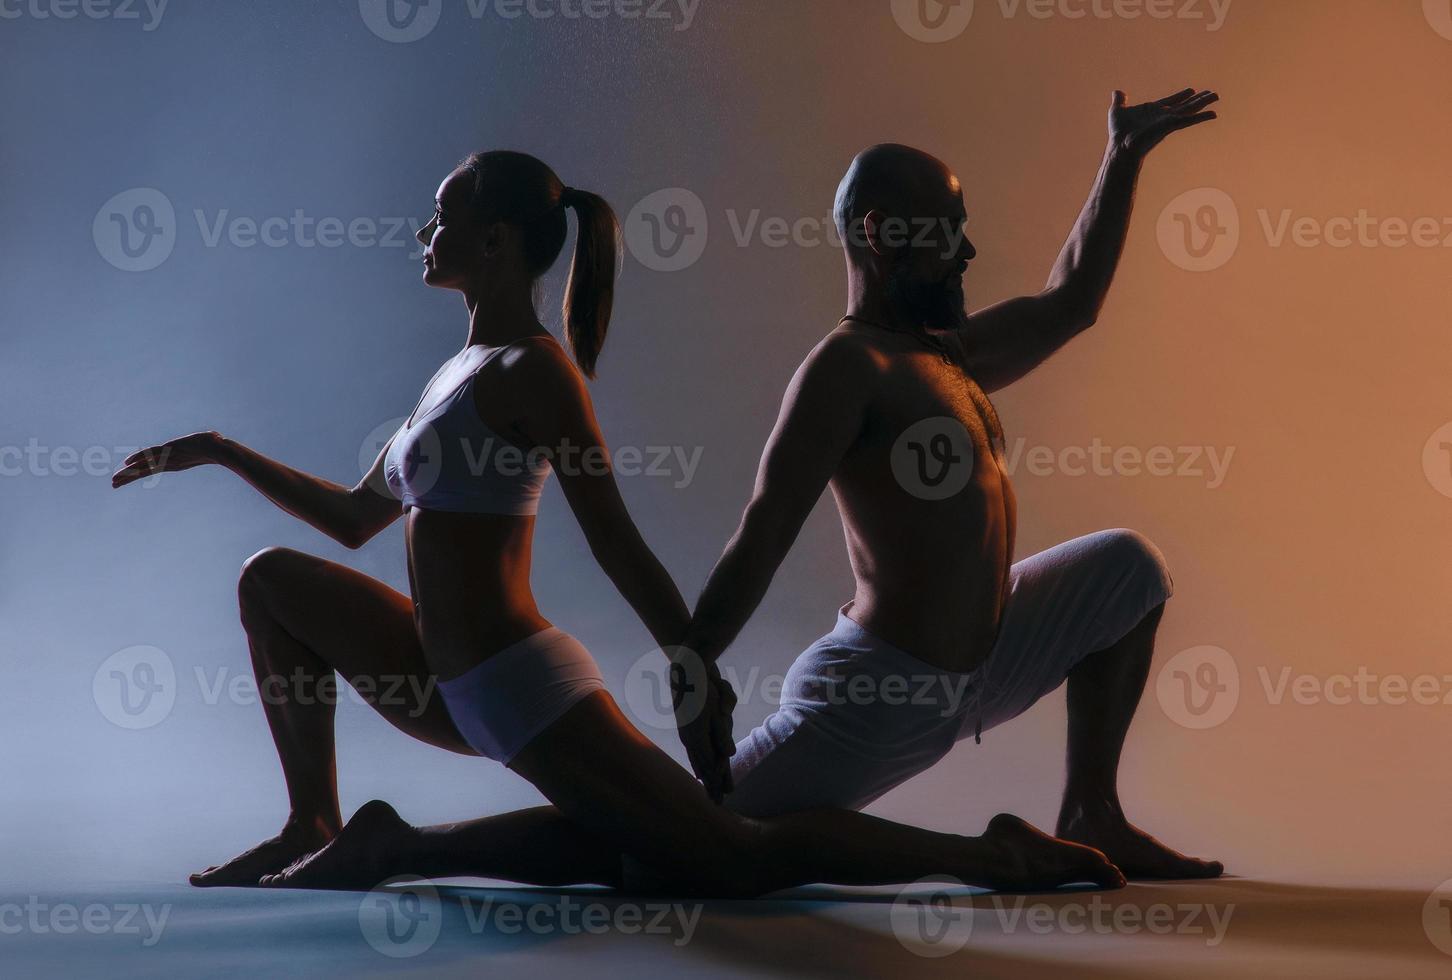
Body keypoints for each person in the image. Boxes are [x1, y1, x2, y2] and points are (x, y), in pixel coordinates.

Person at [111, 150, 1123, 897]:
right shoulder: (449, 379)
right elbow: (351, 519)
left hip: (516, 687)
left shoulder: (534, 373)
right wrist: (223, 451)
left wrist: (691, 670)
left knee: (726, 859)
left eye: (441, 215)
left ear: (499, 241)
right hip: (431, 669)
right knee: (268, 580)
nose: (426, 231)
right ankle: (318, 818)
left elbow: (618, 540)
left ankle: (996, 856)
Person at [675, 88, 1227, 879]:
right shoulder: (847, 368)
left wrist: (1122, 156)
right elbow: (762, 532)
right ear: (882, 234)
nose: (968, 252)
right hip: (878, 697)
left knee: (1128, 567)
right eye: (949, 233)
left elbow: (1071, 302)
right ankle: (985, 857)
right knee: (676, 844)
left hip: (984, 665)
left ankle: (1092, 812)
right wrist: (696, 663)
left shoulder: (947, 357)